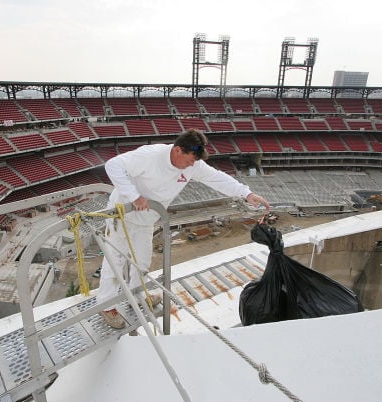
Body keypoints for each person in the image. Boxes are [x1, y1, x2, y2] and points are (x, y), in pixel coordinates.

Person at [96, 129, 270, 329]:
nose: (192, 165)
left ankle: (137, 294)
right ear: (178, 150)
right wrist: (134, 195)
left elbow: (217, 178)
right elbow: (113, 165)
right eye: (189, 160)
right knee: (116, 259)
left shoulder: (192, 164)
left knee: (142, 260)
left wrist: (246, 194)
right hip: (123, 214)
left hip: (146, 218)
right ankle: (106, 304)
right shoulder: (150, 156)